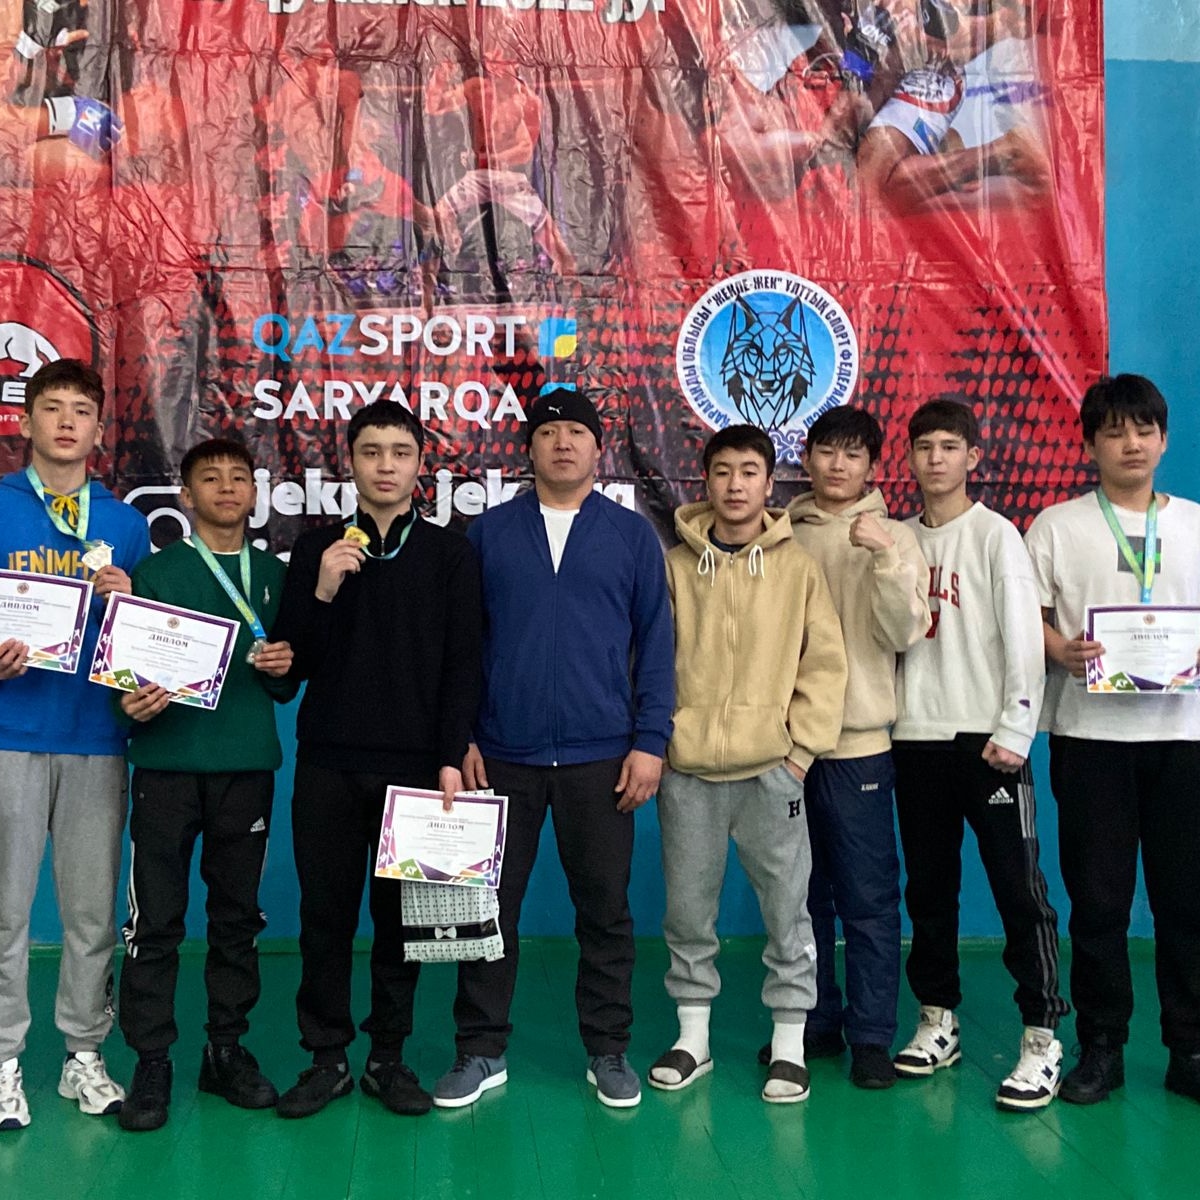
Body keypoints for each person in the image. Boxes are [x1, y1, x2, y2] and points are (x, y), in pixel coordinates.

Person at [434, 386, 673, 1110]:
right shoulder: (489, 533)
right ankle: (480, 1049)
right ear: (528, 448)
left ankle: (608, 1048)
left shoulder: (631, 536)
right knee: (485, 910)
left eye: (576, 432)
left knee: (605, 912)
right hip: (502, 756)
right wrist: (463, 734)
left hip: (603, 759)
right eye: (547, 432)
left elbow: (657, 644)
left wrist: (650, 741)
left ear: (598, 447)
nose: (562, 443)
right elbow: (461, 644)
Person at [270, 401, 482, 1119]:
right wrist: (323, 591)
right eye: (371, 451)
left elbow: (463, 663)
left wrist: (450, 755)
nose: (385, 465)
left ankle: (388, 1057)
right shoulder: (316, 549)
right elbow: (291, 667)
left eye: (400, 452)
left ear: (421, 464)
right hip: (328, 762)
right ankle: (326, 1057)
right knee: (324, 917)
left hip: (415, 770)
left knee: (402, 925)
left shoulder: (450, 553)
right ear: (350, 462)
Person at [647, 423, 846, 1104]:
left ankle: (790, 1044)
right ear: (705, 481)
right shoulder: (676, 566)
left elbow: (824, 665)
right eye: (723, 471)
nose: (736, 485)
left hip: (772, 773)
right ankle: (692, 1039)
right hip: (689, 772)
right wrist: (666, 743)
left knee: (789, 911)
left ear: (770, 482)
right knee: (687, 912)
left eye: (750, 472)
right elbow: (650, 663)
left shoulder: (797, 568)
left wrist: (798, 754)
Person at [1025, 374, 1200, 1105]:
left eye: (1144, 430)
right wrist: (1059, 650)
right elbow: (1025, 617)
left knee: (1187, 900)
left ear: (1163, 439)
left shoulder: (1194, 523)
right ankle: (1102, 1045)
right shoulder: (1056, 526)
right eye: (1115, 432)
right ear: (1090, 444)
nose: (1131, 444)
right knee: (1098, 901)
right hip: (1090, 737)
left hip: (1184, 739)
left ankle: (1190, 1047)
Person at [114, 438, 296, 1132]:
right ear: (185, 497)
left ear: (255, 494)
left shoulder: (274, 576)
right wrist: (129, 702)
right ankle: (151, 1059)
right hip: (165, 769)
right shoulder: (155, 573)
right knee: (155, 921)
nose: (226, 487)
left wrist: (284, 667)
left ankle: (226, 1049)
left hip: (245, 769)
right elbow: (123, 676)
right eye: (210, 478)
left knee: (236, 918)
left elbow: (285, 685)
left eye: (238, 477)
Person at [891, 398, 1067, 1111]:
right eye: (924, 447)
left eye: (948, 446)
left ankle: (1042, 1037)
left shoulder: (997, 536)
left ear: (972, 456)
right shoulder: (899, 538)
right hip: (914, 739)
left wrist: (1016, 728)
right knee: (928, 891)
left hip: (987, 743)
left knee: (1018, 892)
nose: (935, 459)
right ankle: (938, 1019)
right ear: (908, 458)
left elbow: (1025, 640)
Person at [0, 358, 149, 1132]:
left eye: (81, 410)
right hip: (10, 734)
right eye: (51, 407)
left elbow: (149, 647)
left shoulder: (125, 525)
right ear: (24, 421)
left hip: (96, 738)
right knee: (4, 912)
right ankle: (2, 1060)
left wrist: (131, 602)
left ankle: (83, 1054)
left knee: (91, 914)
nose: (65, 421)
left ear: (98, 428)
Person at [787, 406, 929, 1088]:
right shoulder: (781, 533)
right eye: (826, 451)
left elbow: (904, 633)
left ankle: (872, 1035)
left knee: (868, 900)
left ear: (873, 466)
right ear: (806, 457)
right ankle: (813, 1021)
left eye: (853, 454)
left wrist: (883, 557)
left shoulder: (894, 536)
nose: (838, 465)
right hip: (788, 749)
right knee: (799, 899)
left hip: (859, 747)